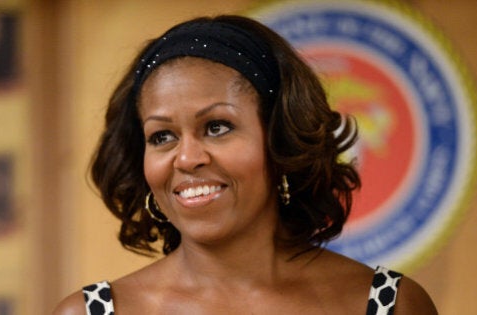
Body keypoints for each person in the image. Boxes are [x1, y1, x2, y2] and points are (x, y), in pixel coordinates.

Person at [54, 15, 437, 315]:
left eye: (217, 127)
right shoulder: (92, 312)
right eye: (162, 136)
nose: (187, 158)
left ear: (280, 140)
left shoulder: (390, 305)